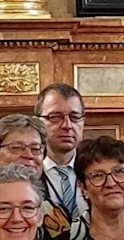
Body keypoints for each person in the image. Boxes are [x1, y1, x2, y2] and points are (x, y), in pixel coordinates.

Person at [37, 83, 89, 220]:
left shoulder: (94, 170)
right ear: (38, 123)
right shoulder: (27, 173)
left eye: (75, 117)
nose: (67, 125)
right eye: (55, 117)